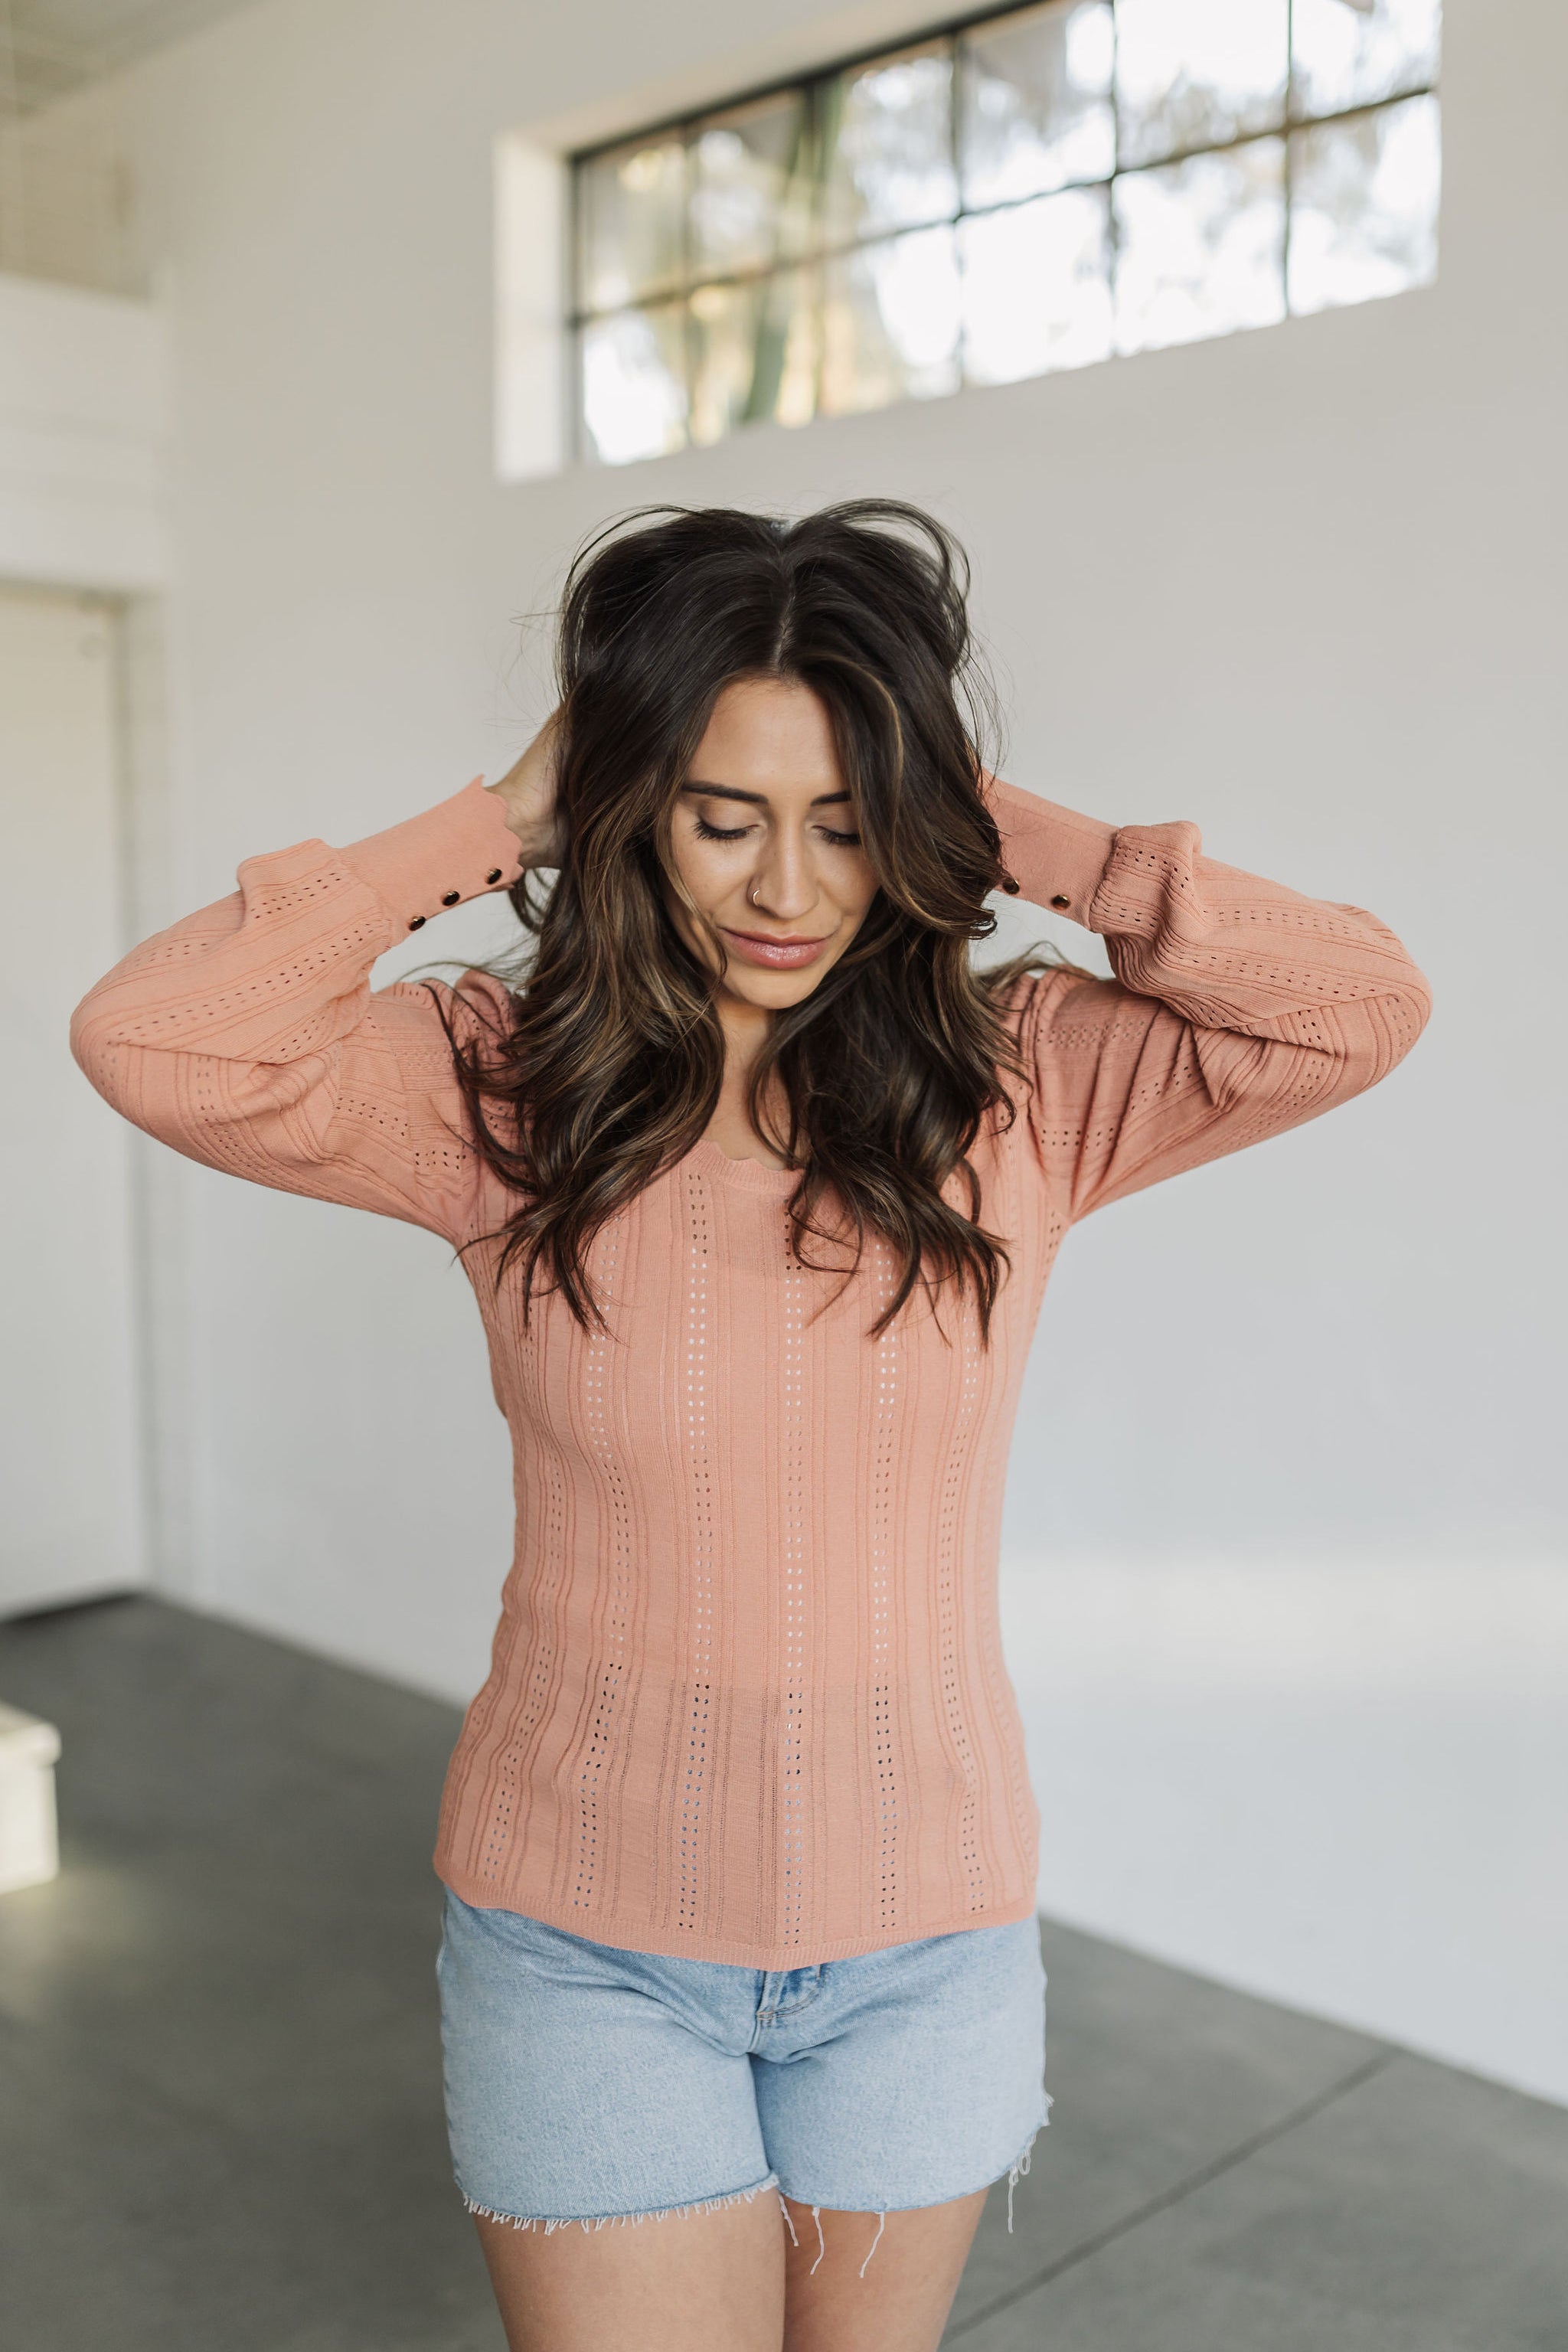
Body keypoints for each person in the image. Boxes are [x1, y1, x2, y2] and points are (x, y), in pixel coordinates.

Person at [70, 501, 1432, 2352]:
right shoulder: (495, 1090)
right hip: (584, 1945)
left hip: (924, 1936)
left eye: (849, 823)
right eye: (722, 816)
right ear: (632, 808)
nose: (788, 888)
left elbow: (1358, 1005)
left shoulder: (1024, 1086)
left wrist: (1001, 820)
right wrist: (491, 825)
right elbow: (157, 1038)